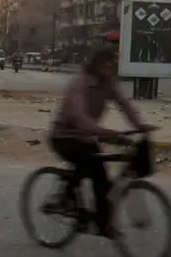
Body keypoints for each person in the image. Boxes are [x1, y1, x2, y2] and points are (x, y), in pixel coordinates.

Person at [49, 46, 155, 238]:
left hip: (87, 137)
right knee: (88, 162)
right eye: (104, 65)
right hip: (64, 136)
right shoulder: (79, 84)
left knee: (102, 182)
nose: (108, 69)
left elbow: (125, 105)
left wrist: (141, 125)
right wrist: (104, 132)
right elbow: (79, 116)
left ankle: (102, 224)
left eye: (111, 66)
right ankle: (65, 197)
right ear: (95, 65)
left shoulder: (108, 83)